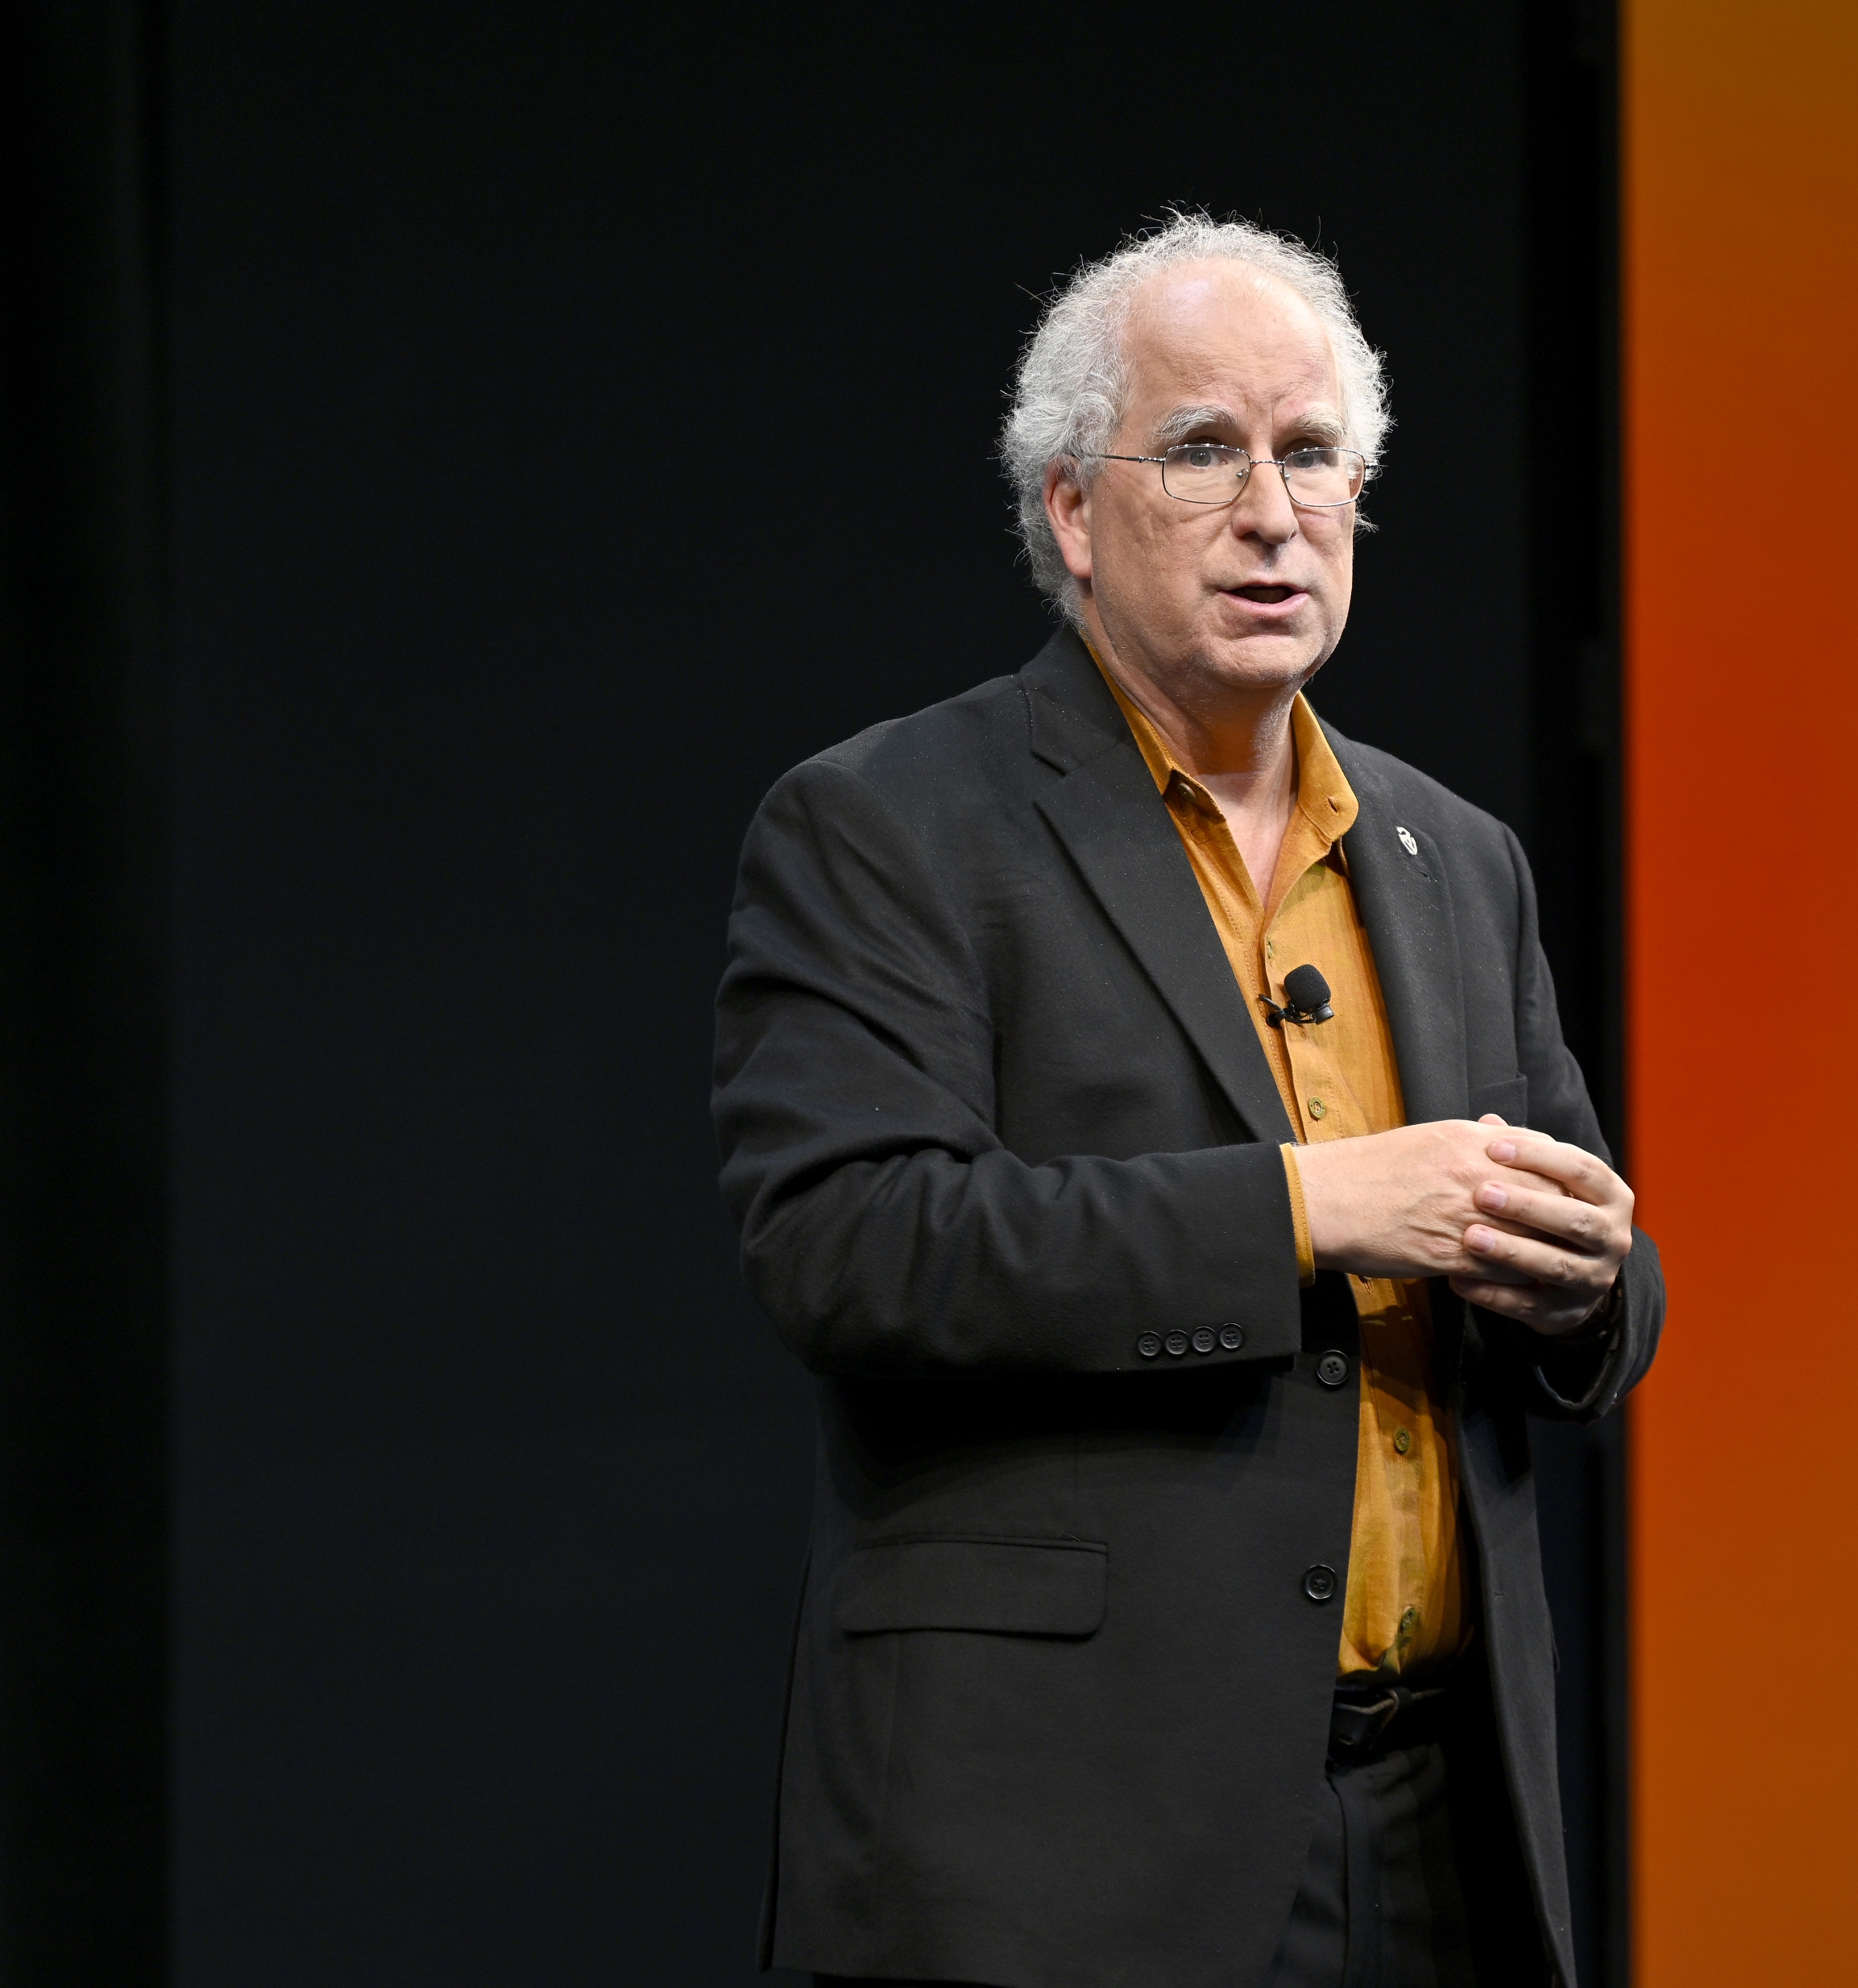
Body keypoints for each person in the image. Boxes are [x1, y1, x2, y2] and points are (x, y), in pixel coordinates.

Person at [711, 213, 1665, 1988]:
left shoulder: (1454, 855)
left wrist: (1592, 1277)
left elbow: (1579, 1254)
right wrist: (1315, 1209)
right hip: (1068, 1842)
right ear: (1073, 508)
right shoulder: (890, 825)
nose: (1272, 509)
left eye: (1313, 455)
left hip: (1440, 1821)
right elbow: (852, 1245)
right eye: (1206, 451)